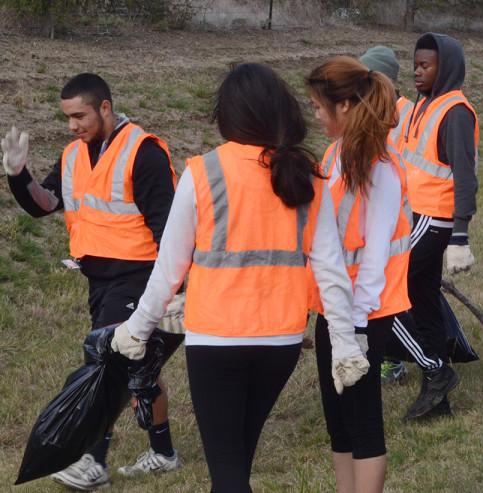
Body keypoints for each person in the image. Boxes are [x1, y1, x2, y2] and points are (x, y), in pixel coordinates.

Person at [108, 63, 369, 492]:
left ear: (228, 115)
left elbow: (169, 267)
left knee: (228, 474)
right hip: (281, 343)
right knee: (234, 466)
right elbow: (330, 270)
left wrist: (136, 330)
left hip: (217, 342)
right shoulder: (305, 177)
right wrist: (343, 343)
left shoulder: (203, 173)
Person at [1, 73, 180, 490]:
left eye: (79, 115)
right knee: (140, 369)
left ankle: (91, 461)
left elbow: (169, 230)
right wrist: (17, 175)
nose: (72, 125)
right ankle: (163, 453)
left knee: (106, 366)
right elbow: (46, 205)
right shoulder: (73, 155)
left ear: (104, 107)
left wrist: (172, 291)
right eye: (67, 118)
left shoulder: (144, 152)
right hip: (100, 280)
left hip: (140, 278)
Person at [306, 56, 412, 493]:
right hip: (335, 310)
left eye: (318, 105)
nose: (315, 113)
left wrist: (356, 326)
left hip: (363, 314)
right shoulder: (335, 153)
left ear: (345, 105)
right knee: (339, 421)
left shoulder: (381, 168)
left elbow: (374, 258)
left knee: (363, 420)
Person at [392, 32, 480, 421]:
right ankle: (437, 393)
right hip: (416, 215)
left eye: (425, 65)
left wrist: (460, 233)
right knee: (420, 294)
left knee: (387, 289)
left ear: (446, 69)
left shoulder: (455, 111)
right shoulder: (423, 106)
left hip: (434, 217)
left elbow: (465, 175)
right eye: (415, 64)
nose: (417, 71)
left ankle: (435, 370)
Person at [359, 46, 416, 385]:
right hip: (385, 209)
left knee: (389, 297)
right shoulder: (375, 110)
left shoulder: (401, 113)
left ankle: (407, 360)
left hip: (400, 212)